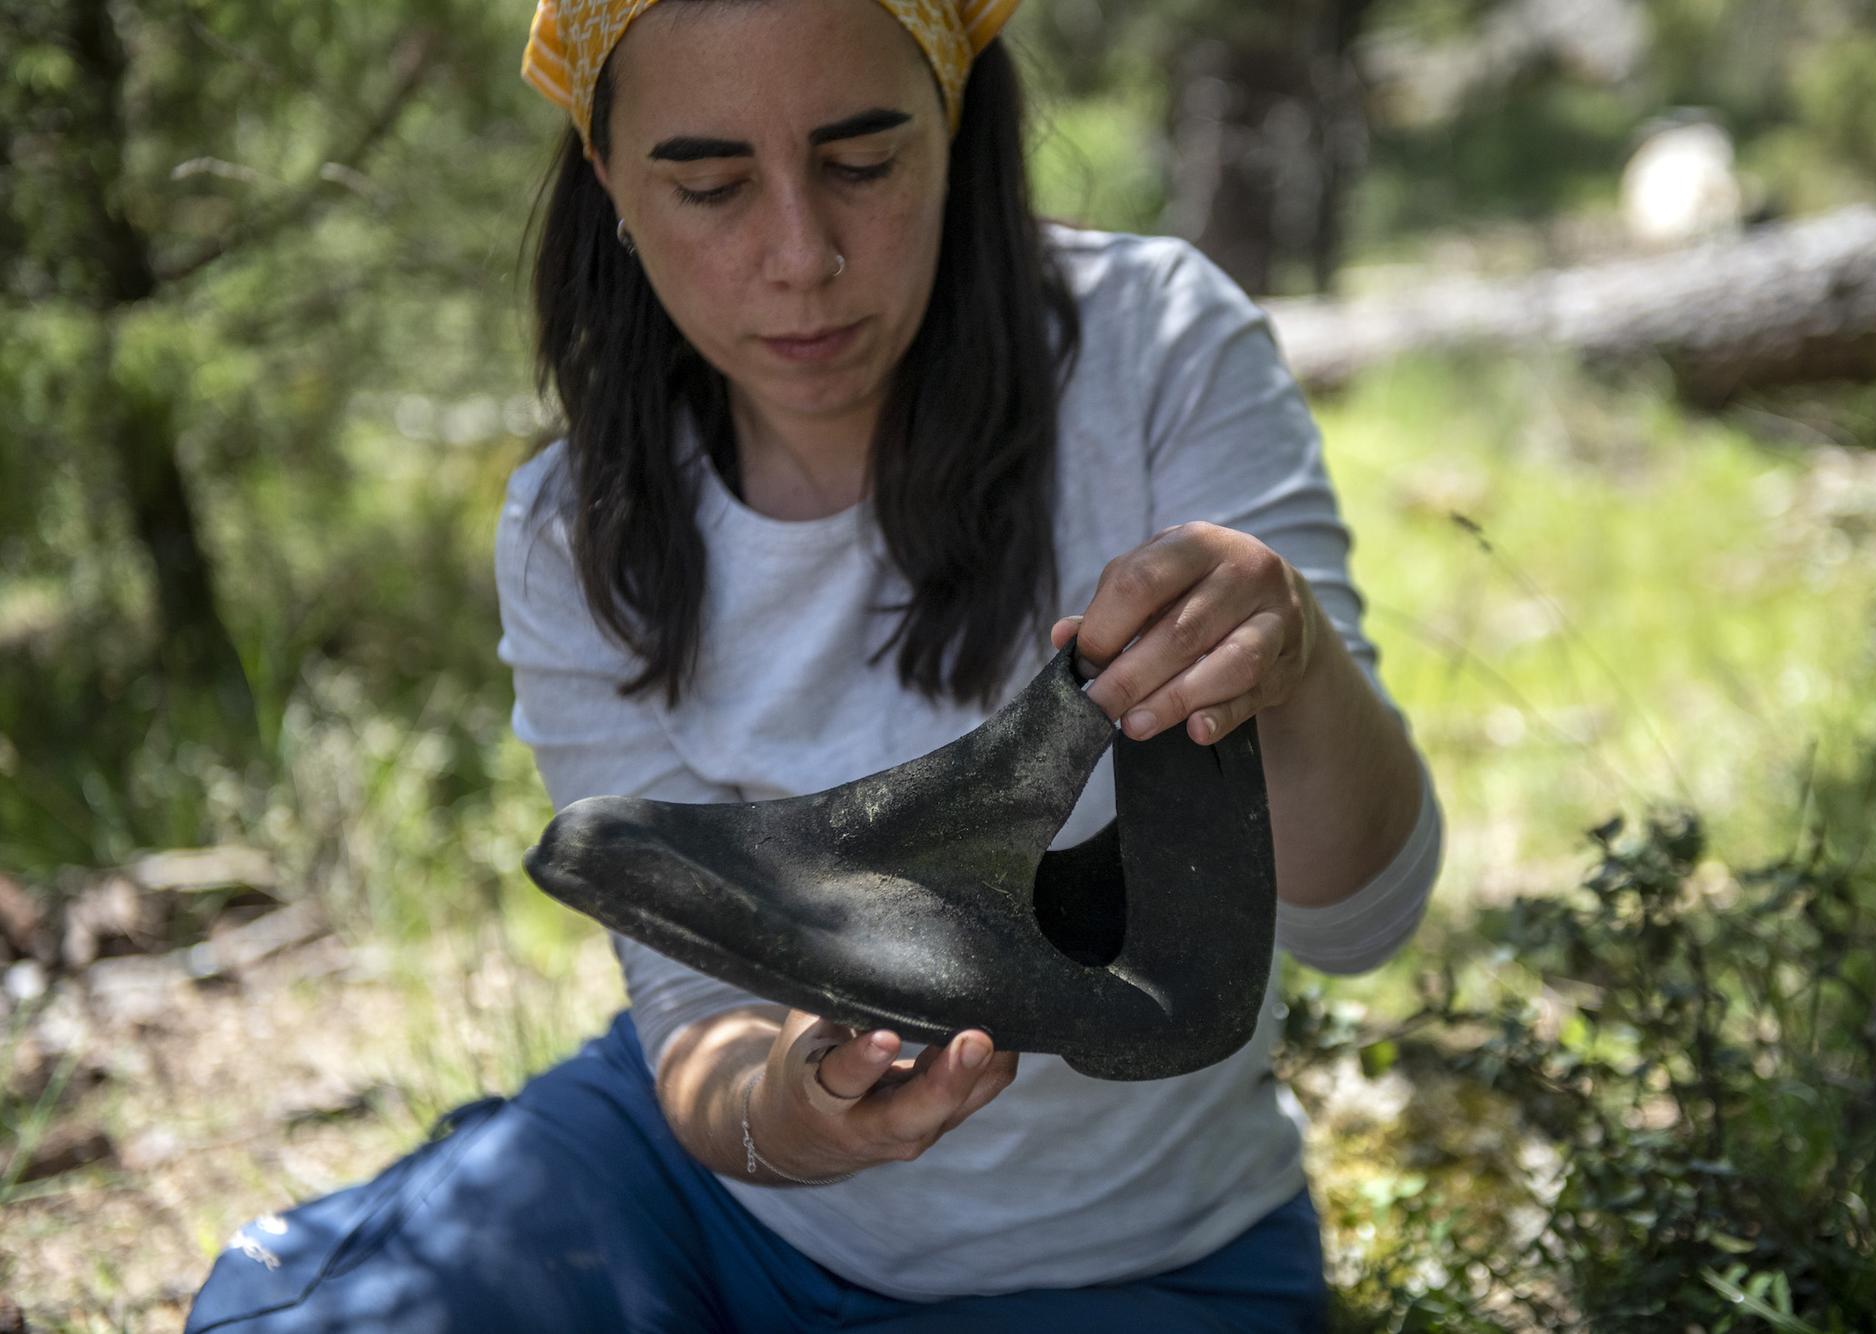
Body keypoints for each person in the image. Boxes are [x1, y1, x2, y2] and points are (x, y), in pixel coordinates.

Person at [186, 0, 1444, 1328]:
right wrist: (786, 1109)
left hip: (1129, 1263)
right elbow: (693, 1017)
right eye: (710, 183)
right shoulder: (583, 527)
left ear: (954, 122)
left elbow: (1362, 919)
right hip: (704, 1198)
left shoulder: (1156, 350)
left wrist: (1289, 663)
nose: (801, 255)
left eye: (862, 162)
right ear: (609, 176)